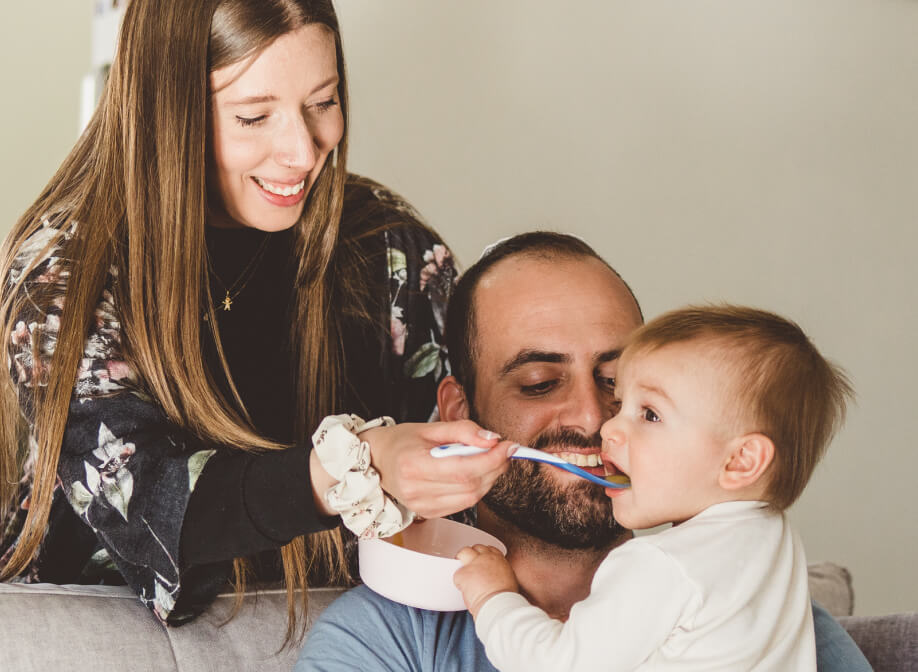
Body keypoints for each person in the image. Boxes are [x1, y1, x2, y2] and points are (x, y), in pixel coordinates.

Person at [0, 0, 512, 634]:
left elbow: (483, 439)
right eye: (254, 116)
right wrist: (355, 468)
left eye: (322, 102)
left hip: (346, 638)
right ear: (168, 114)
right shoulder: (64, 277)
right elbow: (150, 498)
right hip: (96, 639)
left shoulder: (391, 248)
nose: (302, 152)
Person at [295, 232, 872, 671]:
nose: (597, 418)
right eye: (541, 382)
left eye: (621, 386)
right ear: (458, 412)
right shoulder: (384, 642)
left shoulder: (770, 630)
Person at [454, 305, 852, 670]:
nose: (608, 426)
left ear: (740, 461)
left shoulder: (658, 566)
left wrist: (494, 597)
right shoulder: (776, 543)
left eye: (650, 414)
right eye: (621, 399)